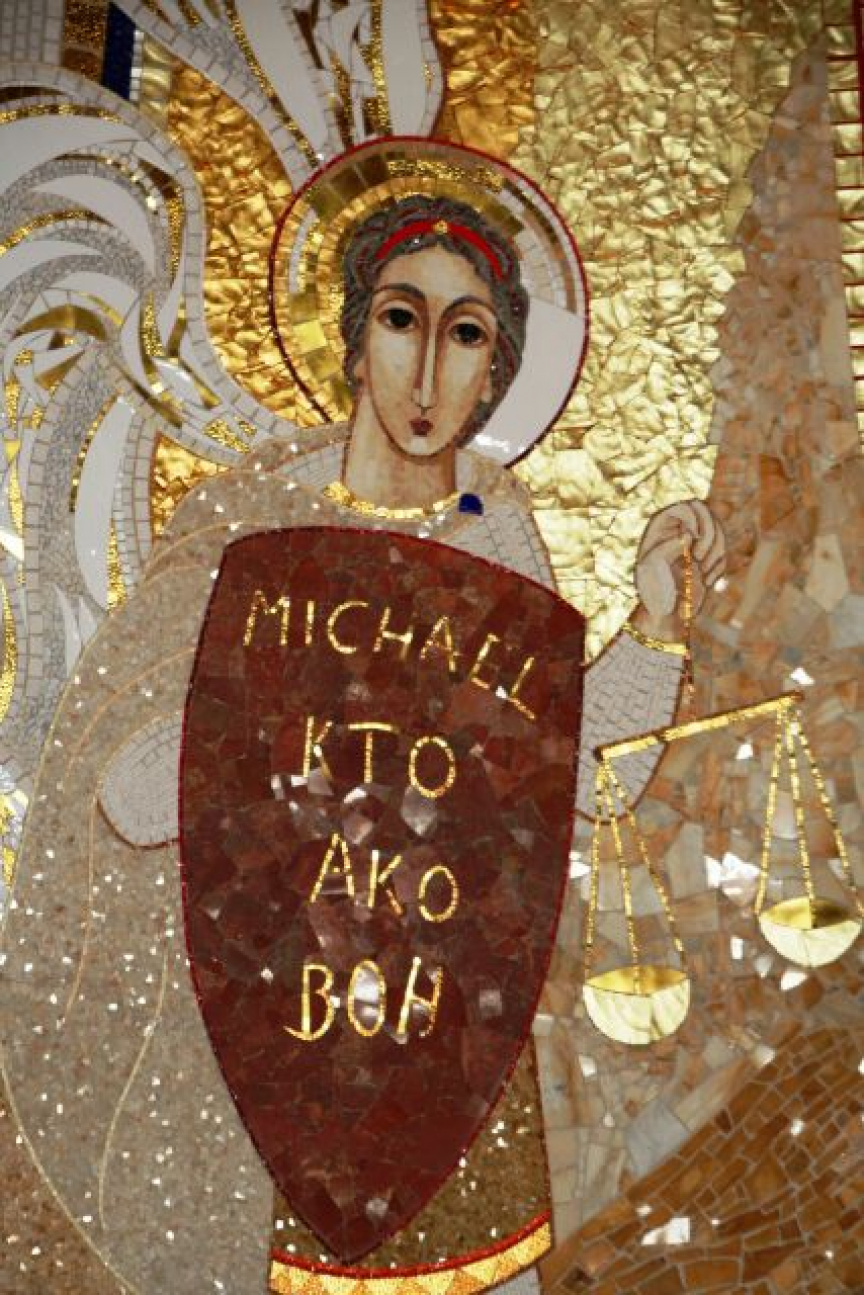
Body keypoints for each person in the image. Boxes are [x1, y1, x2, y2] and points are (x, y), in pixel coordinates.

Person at [1, 195, 724, 1295]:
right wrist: (302, 712)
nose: (426, 371)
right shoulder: (252, 531)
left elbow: (574, 780)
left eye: (466, 333)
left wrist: (657, 626)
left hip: (457, 1049)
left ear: (495, 370)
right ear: (351, 341)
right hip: (294, 1044)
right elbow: (134, 796)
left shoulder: (494, 525)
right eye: (400, 319)